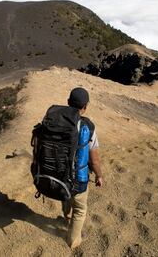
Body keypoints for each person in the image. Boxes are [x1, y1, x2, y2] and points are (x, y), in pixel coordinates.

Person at [61, 87, 103, 249]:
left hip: (57, 173)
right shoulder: (87, 127)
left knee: (65, 195)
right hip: (77, 178)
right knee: (80, 209)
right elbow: (94, 160)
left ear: (68, 103)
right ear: (85, 107)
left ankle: (66, 217)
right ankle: (73, 241)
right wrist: (99, 176)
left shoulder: (55, 119)